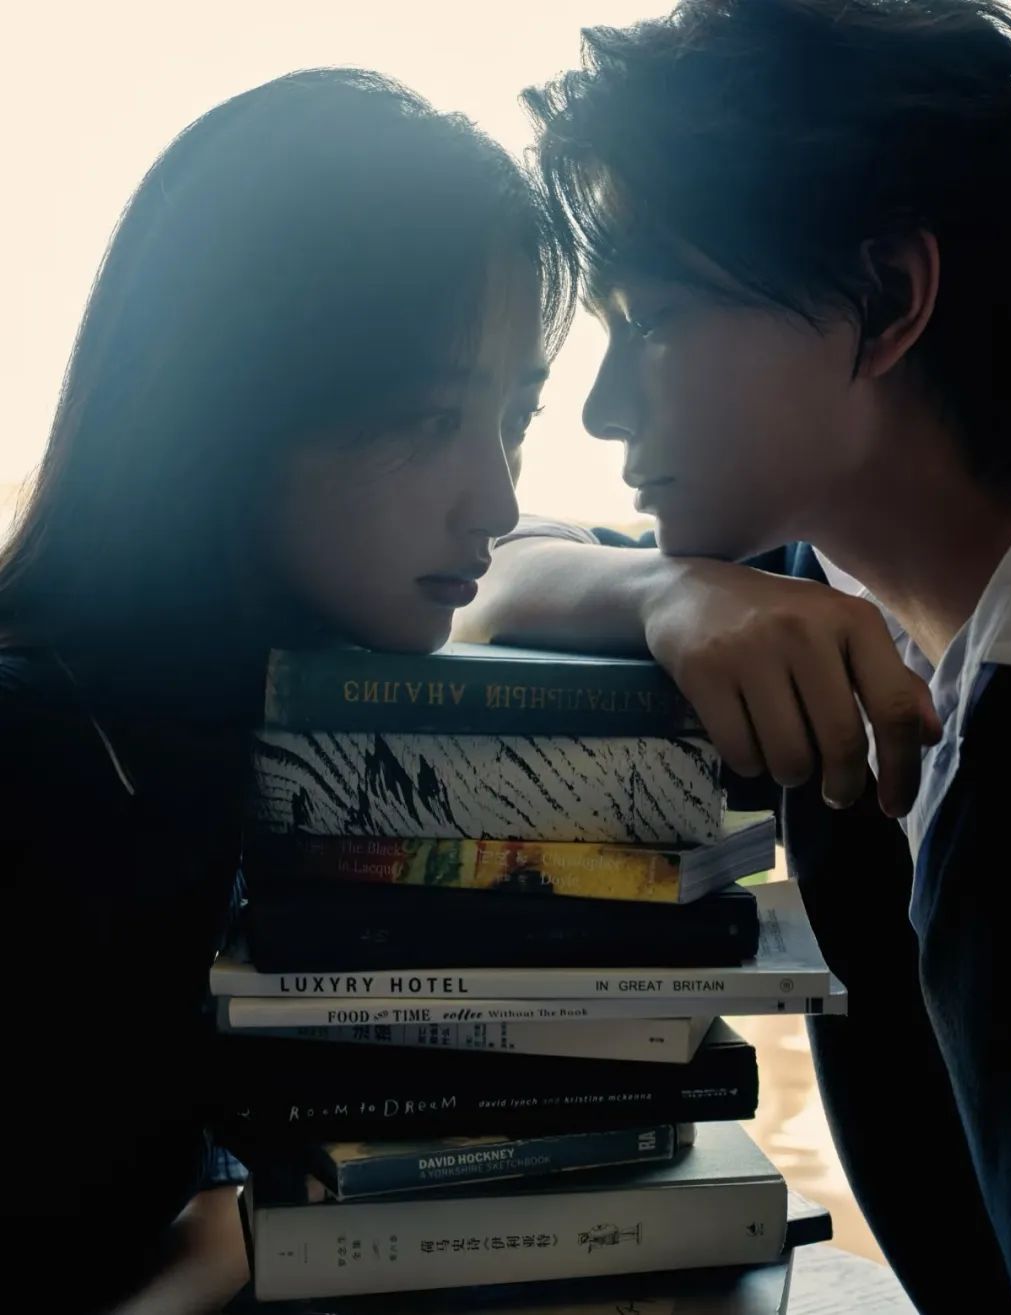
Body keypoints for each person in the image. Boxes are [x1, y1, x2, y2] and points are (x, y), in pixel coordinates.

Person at [457, 2, 1011, 1310]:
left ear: (887, 297)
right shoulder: (827, 599)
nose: (603, 406)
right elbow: (500, 572)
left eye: (656, 321)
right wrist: (661, 587)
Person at [0, 68, 562, 1309]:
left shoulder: (253, 721)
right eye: (430, 418)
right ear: (237, 406)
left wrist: (677, 596)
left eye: (514, 418)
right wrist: (214, 1252)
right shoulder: (35, 761)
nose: (498, 498)